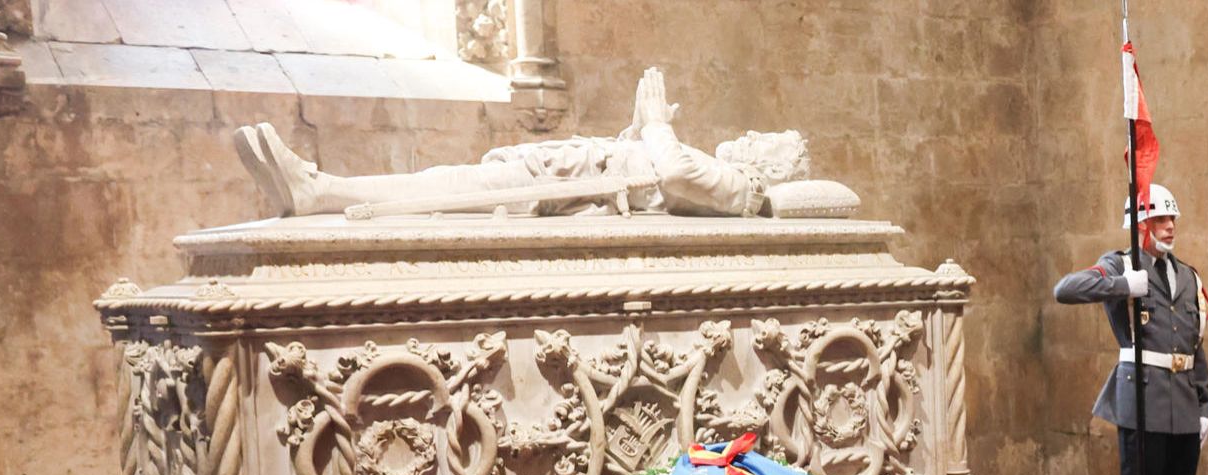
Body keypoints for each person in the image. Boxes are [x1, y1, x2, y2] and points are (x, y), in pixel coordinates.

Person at [232, 68, 808, 219]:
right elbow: (663, 174)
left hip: (568, 188)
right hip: (567, 173)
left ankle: (320, 189)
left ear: (772, 170)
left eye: (768, 142)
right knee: (449, 187)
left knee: (447, 189)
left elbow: (678, 181)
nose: (751, 135)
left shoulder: (745, 190)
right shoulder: (711, 164)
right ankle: (318, 191)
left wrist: (657, 125)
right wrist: (640, 128)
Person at [1052, 185, 1208, 475]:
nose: (1170, 227)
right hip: (1142, 398)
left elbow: (1195, 345)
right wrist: (1124, 284)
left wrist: (1205, 404)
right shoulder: (1120, 264)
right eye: (1161, 220)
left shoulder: (1188, 275)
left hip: (1182, 401)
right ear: (1140, 225)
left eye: (1172, 220)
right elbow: (1065, 289)